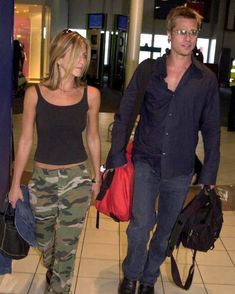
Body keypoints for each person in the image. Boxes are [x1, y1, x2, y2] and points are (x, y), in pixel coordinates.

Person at [105, 6, 220, 294]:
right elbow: (126, 111)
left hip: (180, 169)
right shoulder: (148, 70)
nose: (188, 38)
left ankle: (148, 278)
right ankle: (131, 274)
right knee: (140, 225)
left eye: (193, 32)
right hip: (146, 161)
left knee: (166, 230)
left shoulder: (205, 79)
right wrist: (117, 155)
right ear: (169, 35)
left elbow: (211, 129)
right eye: (182, 31)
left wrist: (209, 172)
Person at [9, 30, 101, 294]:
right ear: (59, 58)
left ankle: (59, 286)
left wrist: (97, 175)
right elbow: (26, 140)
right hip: (42, 181)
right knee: (46, 243)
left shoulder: (90, 95)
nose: (83, 61)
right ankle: (54, 270)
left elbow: (93, 137)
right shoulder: (34, 94)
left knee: (67, 249)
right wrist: (16, 185)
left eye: (85, 55)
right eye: (77, 55)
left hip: (77, 180)